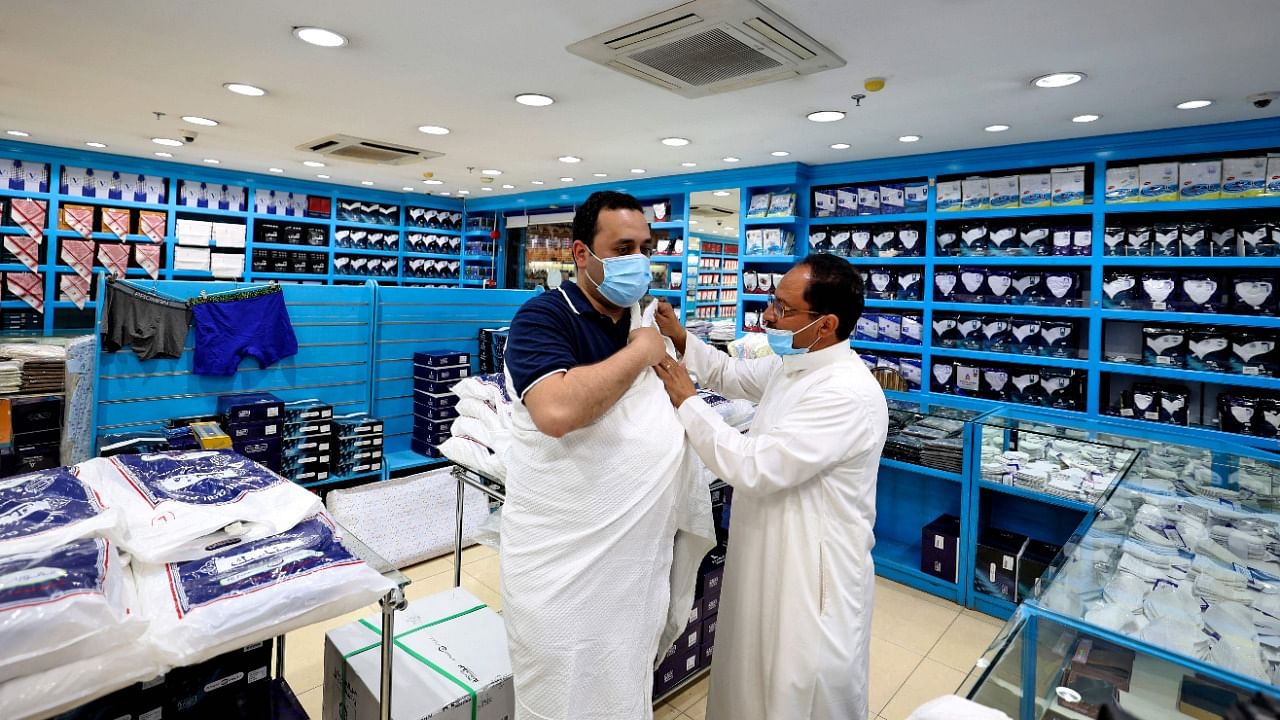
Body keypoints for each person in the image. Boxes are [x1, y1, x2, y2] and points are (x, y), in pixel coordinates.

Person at [500, 190, 708, 720]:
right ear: (580, 254)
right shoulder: (542, 318)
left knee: (622, 684)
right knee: (560, 690)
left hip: (633, 572)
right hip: (563, 567)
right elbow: (556, 412)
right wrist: (641, 352)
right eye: (622, 248)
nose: (638, 260)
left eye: (645, 247)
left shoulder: (644, 320)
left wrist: (665, 346)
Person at [652, 253, 888, 720]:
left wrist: (687, 402)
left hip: (811, 576)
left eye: (782, 307)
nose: (768, 316)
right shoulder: (796, 365)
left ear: (826, 324)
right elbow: (732, 375)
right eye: (771, 302)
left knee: (798, 691)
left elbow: (755, 466)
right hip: (768, 555)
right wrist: (681, 339)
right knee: (748, 678)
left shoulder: (845, 393)